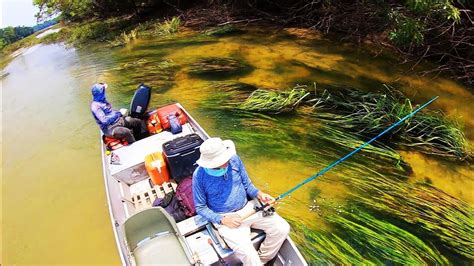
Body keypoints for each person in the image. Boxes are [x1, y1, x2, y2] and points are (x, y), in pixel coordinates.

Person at [192, 137, 290, 265]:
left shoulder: (234, 159)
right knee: (249, 255)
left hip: (249, 208)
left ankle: (262, 260)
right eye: (222, 160)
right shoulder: (199, 176)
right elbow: (200, 207)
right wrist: (222, 220)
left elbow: (247, 185)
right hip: (225, 219)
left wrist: (259, 194)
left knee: (282, 228)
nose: (227, 162)